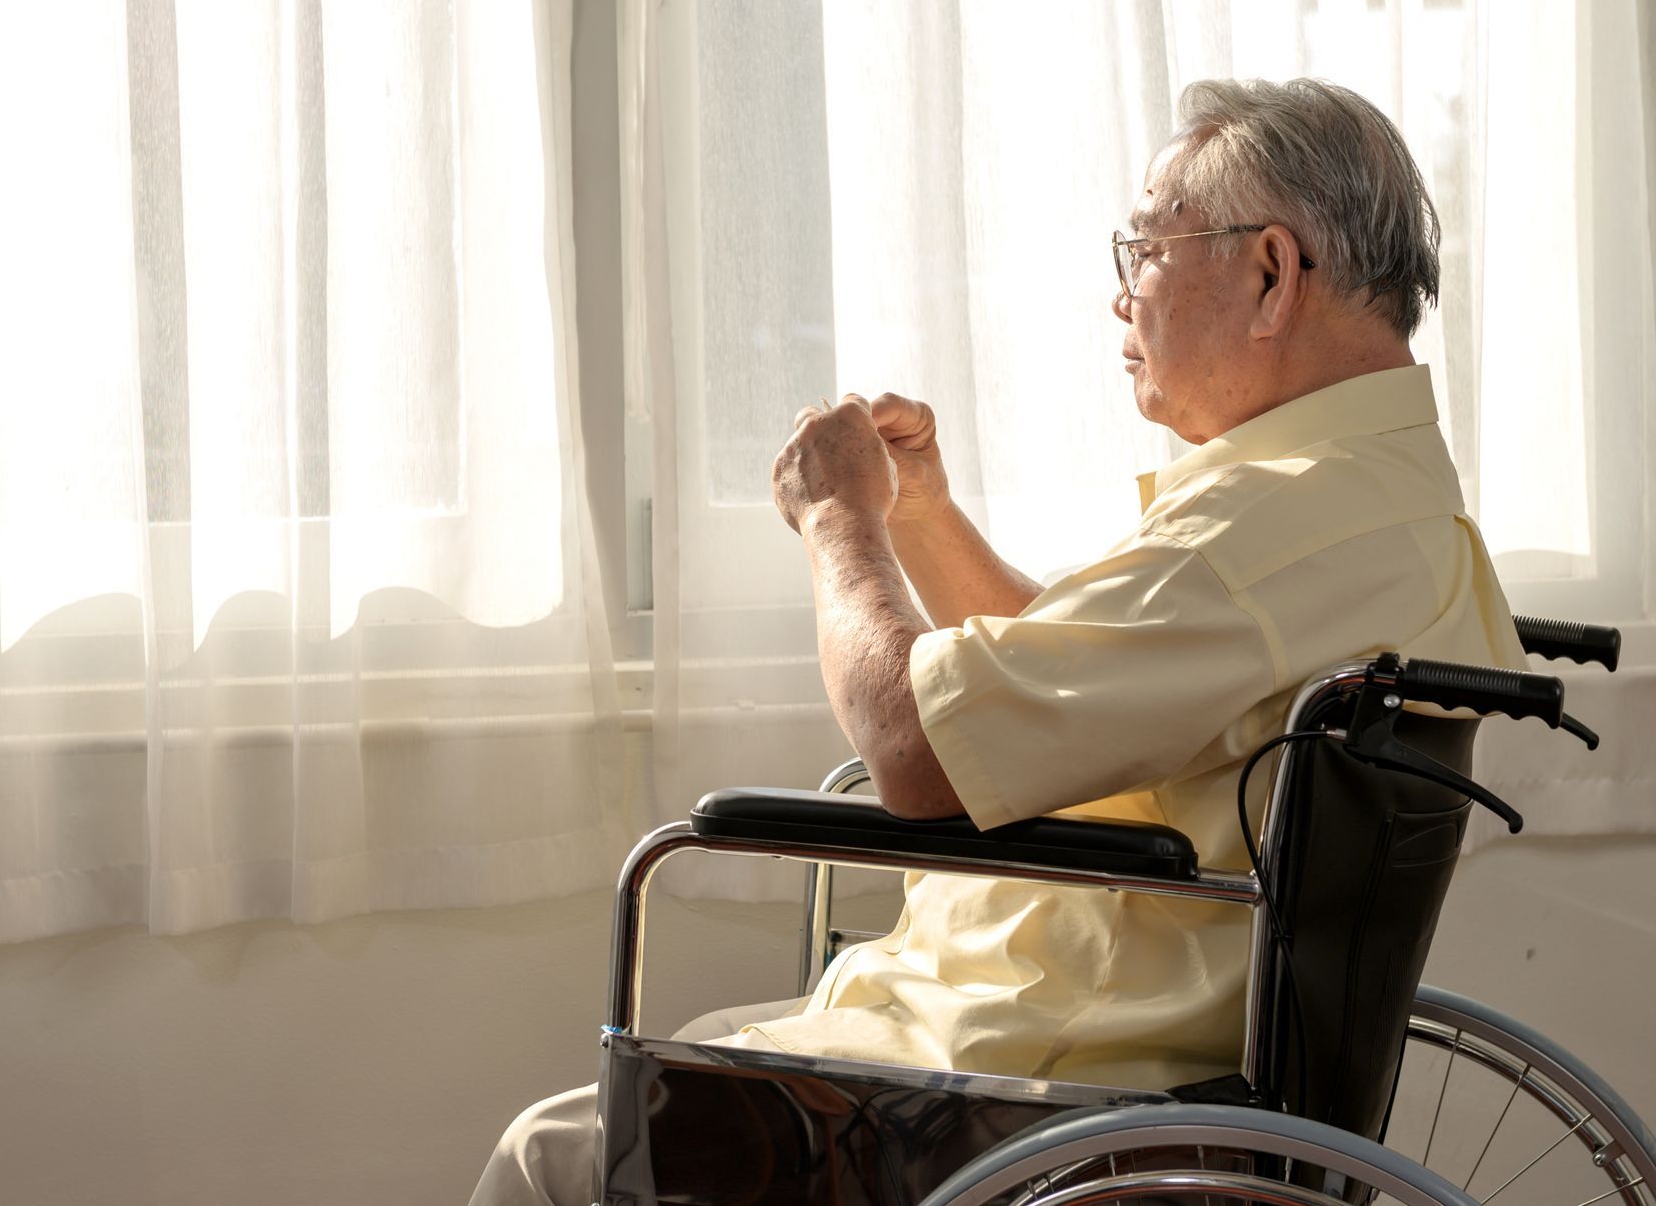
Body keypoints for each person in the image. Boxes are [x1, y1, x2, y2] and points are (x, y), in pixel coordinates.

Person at [469, 76, 1523, 1206]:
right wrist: (921, 518)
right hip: (1052, 1042)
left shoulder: (1272, 528)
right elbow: (1075, 683)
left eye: (1145, 248)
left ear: (1269, 273)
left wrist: (839, 520)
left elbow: (915, 749)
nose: (1122, 300)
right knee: (680, 1066)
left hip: (1039, 1083)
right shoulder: (1363, 501)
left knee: (554, 1158)